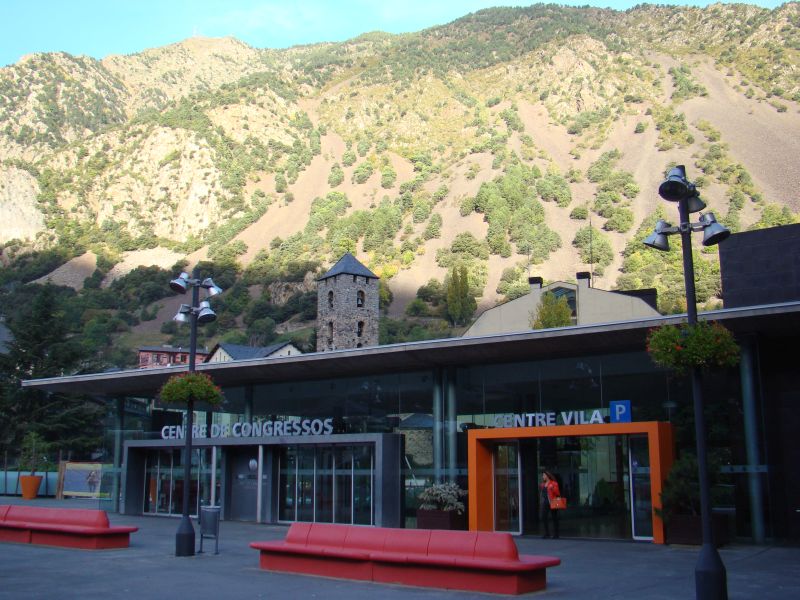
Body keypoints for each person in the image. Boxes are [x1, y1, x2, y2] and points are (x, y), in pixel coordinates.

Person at [539, 470, 561, 539]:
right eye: (542, 475)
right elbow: (542, 493)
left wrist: (552, 488)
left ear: (547, 476)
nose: (543, 476)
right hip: (545, 503)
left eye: (544, 475)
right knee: (543, 517)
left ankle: (556, 534)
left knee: (554, 518)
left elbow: (557, 493)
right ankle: (547, 533)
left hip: (552, 502)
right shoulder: (543, 484)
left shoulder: (554, 483)